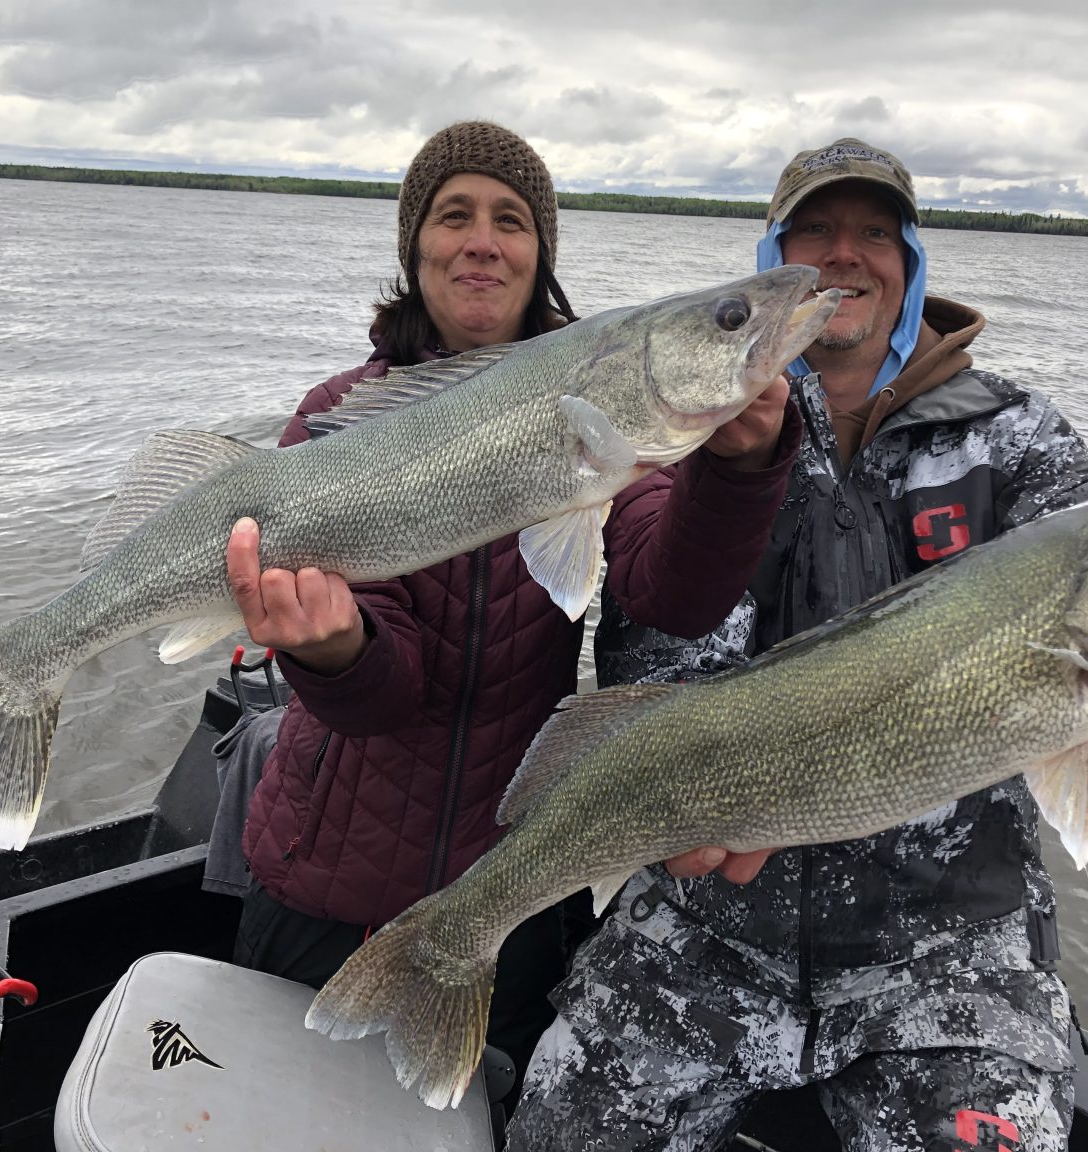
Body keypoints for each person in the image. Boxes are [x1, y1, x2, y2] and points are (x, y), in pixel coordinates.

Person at [507, 138, 1088, 1150]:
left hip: (950, 949)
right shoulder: (688, 421)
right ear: (775, 261)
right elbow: (648, 650)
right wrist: (696, 802)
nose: (847, 254)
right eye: (817, 232)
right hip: (704, 928)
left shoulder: (1017, 439)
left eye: (874, 232)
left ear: (911, 257)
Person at [223, 121, 802, 1108]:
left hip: (507, 883)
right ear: (415, 249)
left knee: (465, 1117)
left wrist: (740, 468)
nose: (482, 240)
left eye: (510, 220)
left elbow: (675, 591)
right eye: (454, 216)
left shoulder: (604, 419)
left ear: (541, 258)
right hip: (324, 881)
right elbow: (380, 691)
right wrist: (334, 652)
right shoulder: (335, 417)